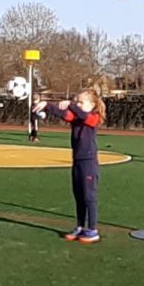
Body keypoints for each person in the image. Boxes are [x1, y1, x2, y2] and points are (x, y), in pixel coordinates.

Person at [35, 88, 106, 243]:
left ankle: (92, 230)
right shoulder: (76, 118)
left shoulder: (93, 117)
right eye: (77, 101)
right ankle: (80, 226)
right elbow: (64, 114)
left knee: (89, 197)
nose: (78, 104)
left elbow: (84, 116)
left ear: (92, 104)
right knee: (79, 196)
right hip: (77, 161)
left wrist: (71, 104)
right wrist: (47, 105)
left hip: (88, 163)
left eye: (81, 102)